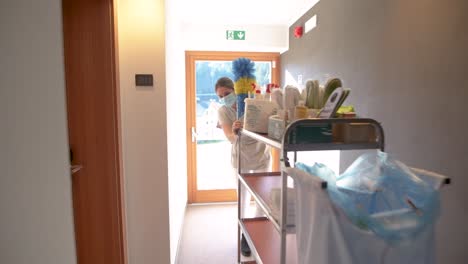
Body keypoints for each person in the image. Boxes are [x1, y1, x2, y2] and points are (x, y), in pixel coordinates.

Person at [215, 77, 270, 257]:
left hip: (260, 154)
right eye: (221, 96)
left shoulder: (252, 102)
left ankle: (258, 232)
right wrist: (236, 130)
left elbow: (266, 125)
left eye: (227, 93)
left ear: (235, 90)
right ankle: (245, 235)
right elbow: (230, 137)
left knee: (262, 197)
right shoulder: (223, 110)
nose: (224, 98)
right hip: (240, 159)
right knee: (244, 200)